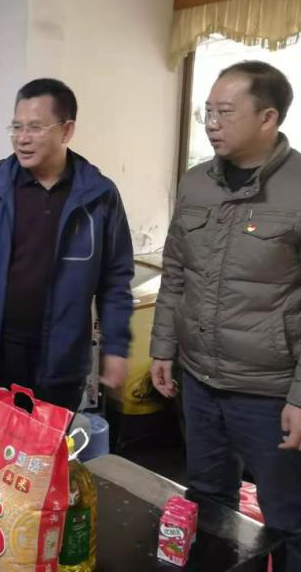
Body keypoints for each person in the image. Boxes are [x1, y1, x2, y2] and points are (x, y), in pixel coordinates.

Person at [150, 60, 301, 572]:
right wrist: (163, 347)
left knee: (288, 519)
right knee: (208, 501)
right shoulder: (196, 183)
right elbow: (176, 273)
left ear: (268, 117)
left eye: (225, 113)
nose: (212, 124)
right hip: (199, 381)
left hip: (269, 391)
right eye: (207, 112)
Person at [0, 78, 134, 462]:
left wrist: (116, 347)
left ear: (67, 130)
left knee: (42, 467)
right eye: (17, 127)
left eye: (35, 127)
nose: (22, 138)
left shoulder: (99, 197)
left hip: (59, 361)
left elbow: (115, 278)